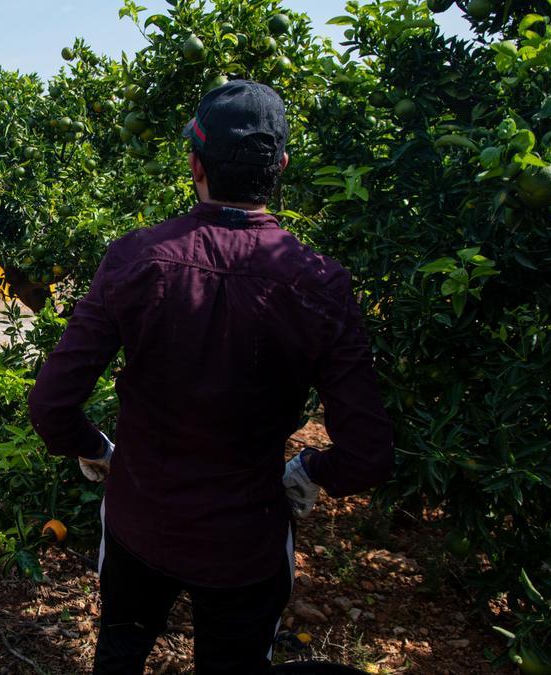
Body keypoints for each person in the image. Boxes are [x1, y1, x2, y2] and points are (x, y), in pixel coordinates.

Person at [27, 80, 394, 673]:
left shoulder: (136, 257)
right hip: (243, 543)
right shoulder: (318, 282)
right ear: (281, 166)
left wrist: (97, 449)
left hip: (139, 522)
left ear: (195, 163)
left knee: (119, 654)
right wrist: (306, 471)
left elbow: (51, 407)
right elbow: (369, 453)